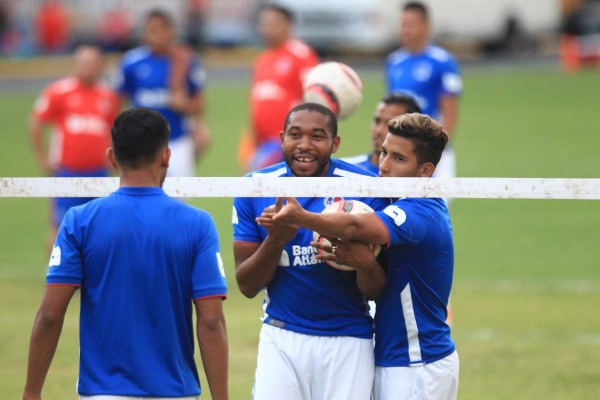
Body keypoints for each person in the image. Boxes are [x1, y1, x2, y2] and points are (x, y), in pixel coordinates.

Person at [22, 107, 229, 400]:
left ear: (111, 157)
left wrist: (31, 392)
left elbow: (50, 316)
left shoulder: (79, 221)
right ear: (167, 156)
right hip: (176, 392)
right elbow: (210, 321)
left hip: (103, 392)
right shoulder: (197, 224)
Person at [260, 113, 459, 400]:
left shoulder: (420, 212)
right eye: (383, 153)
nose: (385, 166)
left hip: (418, 364)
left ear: (425, 171)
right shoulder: (400, 201)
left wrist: (301, 217)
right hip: (395, 358)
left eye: (399, 159)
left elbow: (355, 225)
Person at [232, 102, 388, 400]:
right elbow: (247, 285)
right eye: (295, 135)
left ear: (335, 143)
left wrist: (364, 263)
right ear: (281, 139)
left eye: (317, 136)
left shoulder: (367, 188)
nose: (304, 145)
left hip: (348, 340)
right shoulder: (255, 187)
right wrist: (276, 240)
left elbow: (378, 289)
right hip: (282, 337)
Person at [30, 44, 121, 248]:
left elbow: (116, 131)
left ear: (101, 65)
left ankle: (93, 279)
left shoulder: (108, 95)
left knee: (101, 230)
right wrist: (44, 159)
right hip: (67, 171)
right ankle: (54, 277)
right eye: (83, 62)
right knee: (59, 228)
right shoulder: (59, 91)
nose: (87, 67)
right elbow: (36, 123)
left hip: (99, 172)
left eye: (92, 62)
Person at [115, 8, 210, 177]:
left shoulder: (185, 61)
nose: (157, 35)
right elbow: (116, 102)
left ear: (171, 31)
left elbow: (199, 105)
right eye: (152, 30)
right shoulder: (132, 62)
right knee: (143, 197)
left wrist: (185, 106)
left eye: (162, 30)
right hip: (141, 143)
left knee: (177, 198)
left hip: (177, 140)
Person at [385, 1, 462, 183]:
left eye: (411, 24)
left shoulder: (443, 61)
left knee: (437, 206)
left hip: (430, 146)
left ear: (427, 26)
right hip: (402, 150)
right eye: (403, 24)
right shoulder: (394, 62)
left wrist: (438, 149)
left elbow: (450, 111)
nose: (405, 30)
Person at [241, 4, 319, 171]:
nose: (268, 29)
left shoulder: (301, 55)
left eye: (273, 23)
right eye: (264, 24)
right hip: (263, 141)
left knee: (254, 180)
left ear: (288, 25)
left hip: (286, 140)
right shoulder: (262, 60)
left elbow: (316, 97)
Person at [343, 94, 421, 175]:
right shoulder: (345, 171)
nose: (378, 130)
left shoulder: (429, 183)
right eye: (377, 121)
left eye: (390, 124)